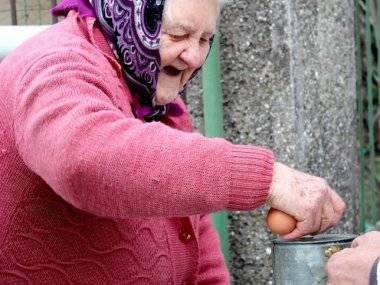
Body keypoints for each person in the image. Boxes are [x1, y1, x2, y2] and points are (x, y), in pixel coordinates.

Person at [0, 0, 346, 283]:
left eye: (204, 39)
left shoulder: (152, 100)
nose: (194, 57)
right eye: (179, 34)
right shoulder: (57, 63)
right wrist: (265, 178)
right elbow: (81, 160)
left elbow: (195, 243)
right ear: (129, 14)